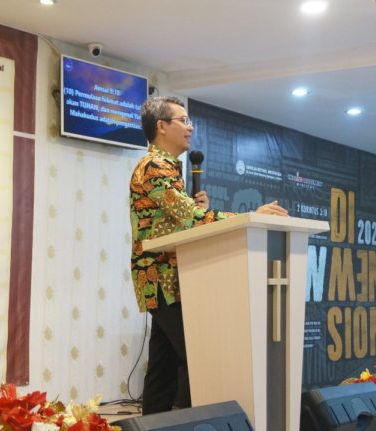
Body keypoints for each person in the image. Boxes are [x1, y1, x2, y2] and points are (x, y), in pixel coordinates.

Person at [129, 96, 287, 414]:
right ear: (161, 126)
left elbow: (180, 221)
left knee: (163, 369)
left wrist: (197, 210)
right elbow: (191, 219)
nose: (190, 128)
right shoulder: (155, 166)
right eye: (183, 121)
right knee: (201, 360)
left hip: (170, 278)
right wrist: (250, 217)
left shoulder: (166, 167)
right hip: (165, 279)